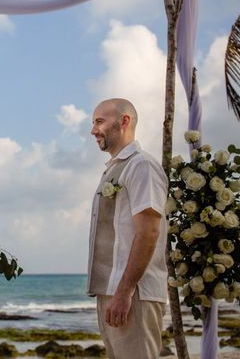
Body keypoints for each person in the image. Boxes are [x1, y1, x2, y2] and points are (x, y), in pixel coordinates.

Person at [87, 99, 168, 358]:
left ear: (124, 121)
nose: (93, 130)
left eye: (99, 121)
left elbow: (149, 232)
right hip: (113, 292)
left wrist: (124, 292)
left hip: (134, 294)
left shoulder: (141, 165)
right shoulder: (115, 168)